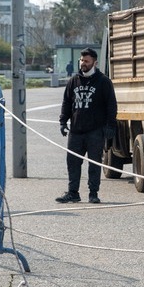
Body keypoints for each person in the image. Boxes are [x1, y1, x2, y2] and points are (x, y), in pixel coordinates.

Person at [57, 47, 118, 204]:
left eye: (87, 61)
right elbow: (67, 102)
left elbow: (111, 105)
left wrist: (110, 126)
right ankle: (73, 193)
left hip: (95, 131)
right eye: (82, 60)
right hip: (76, 131)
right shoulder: (73, 81)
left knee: (94, 163)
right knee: (72, 162)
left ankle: (93, 193)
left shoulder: (103, 81)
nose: (83, 63)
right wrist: (63, 121)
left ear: (94, 63)